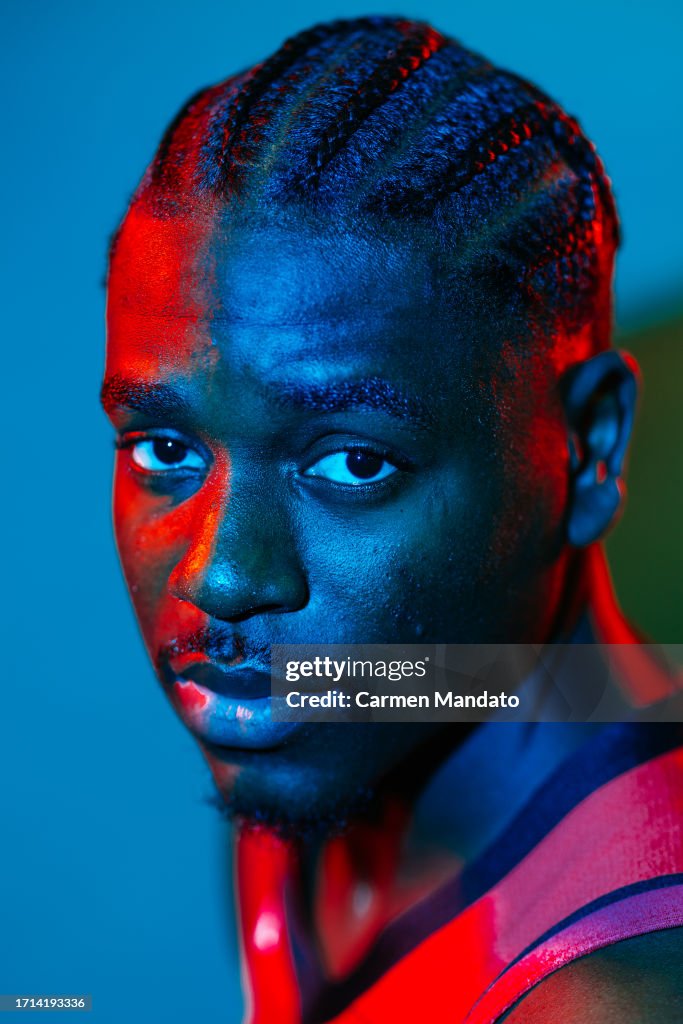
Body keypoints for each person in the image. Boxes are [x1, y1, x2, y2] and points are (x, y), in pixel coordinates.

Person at [101, 16, 683, 1022]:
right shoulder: (333, 707)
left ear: (587, 446)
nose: (222, 575)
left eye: (354, 462)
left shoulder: (609, 993)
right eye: (166, 450)